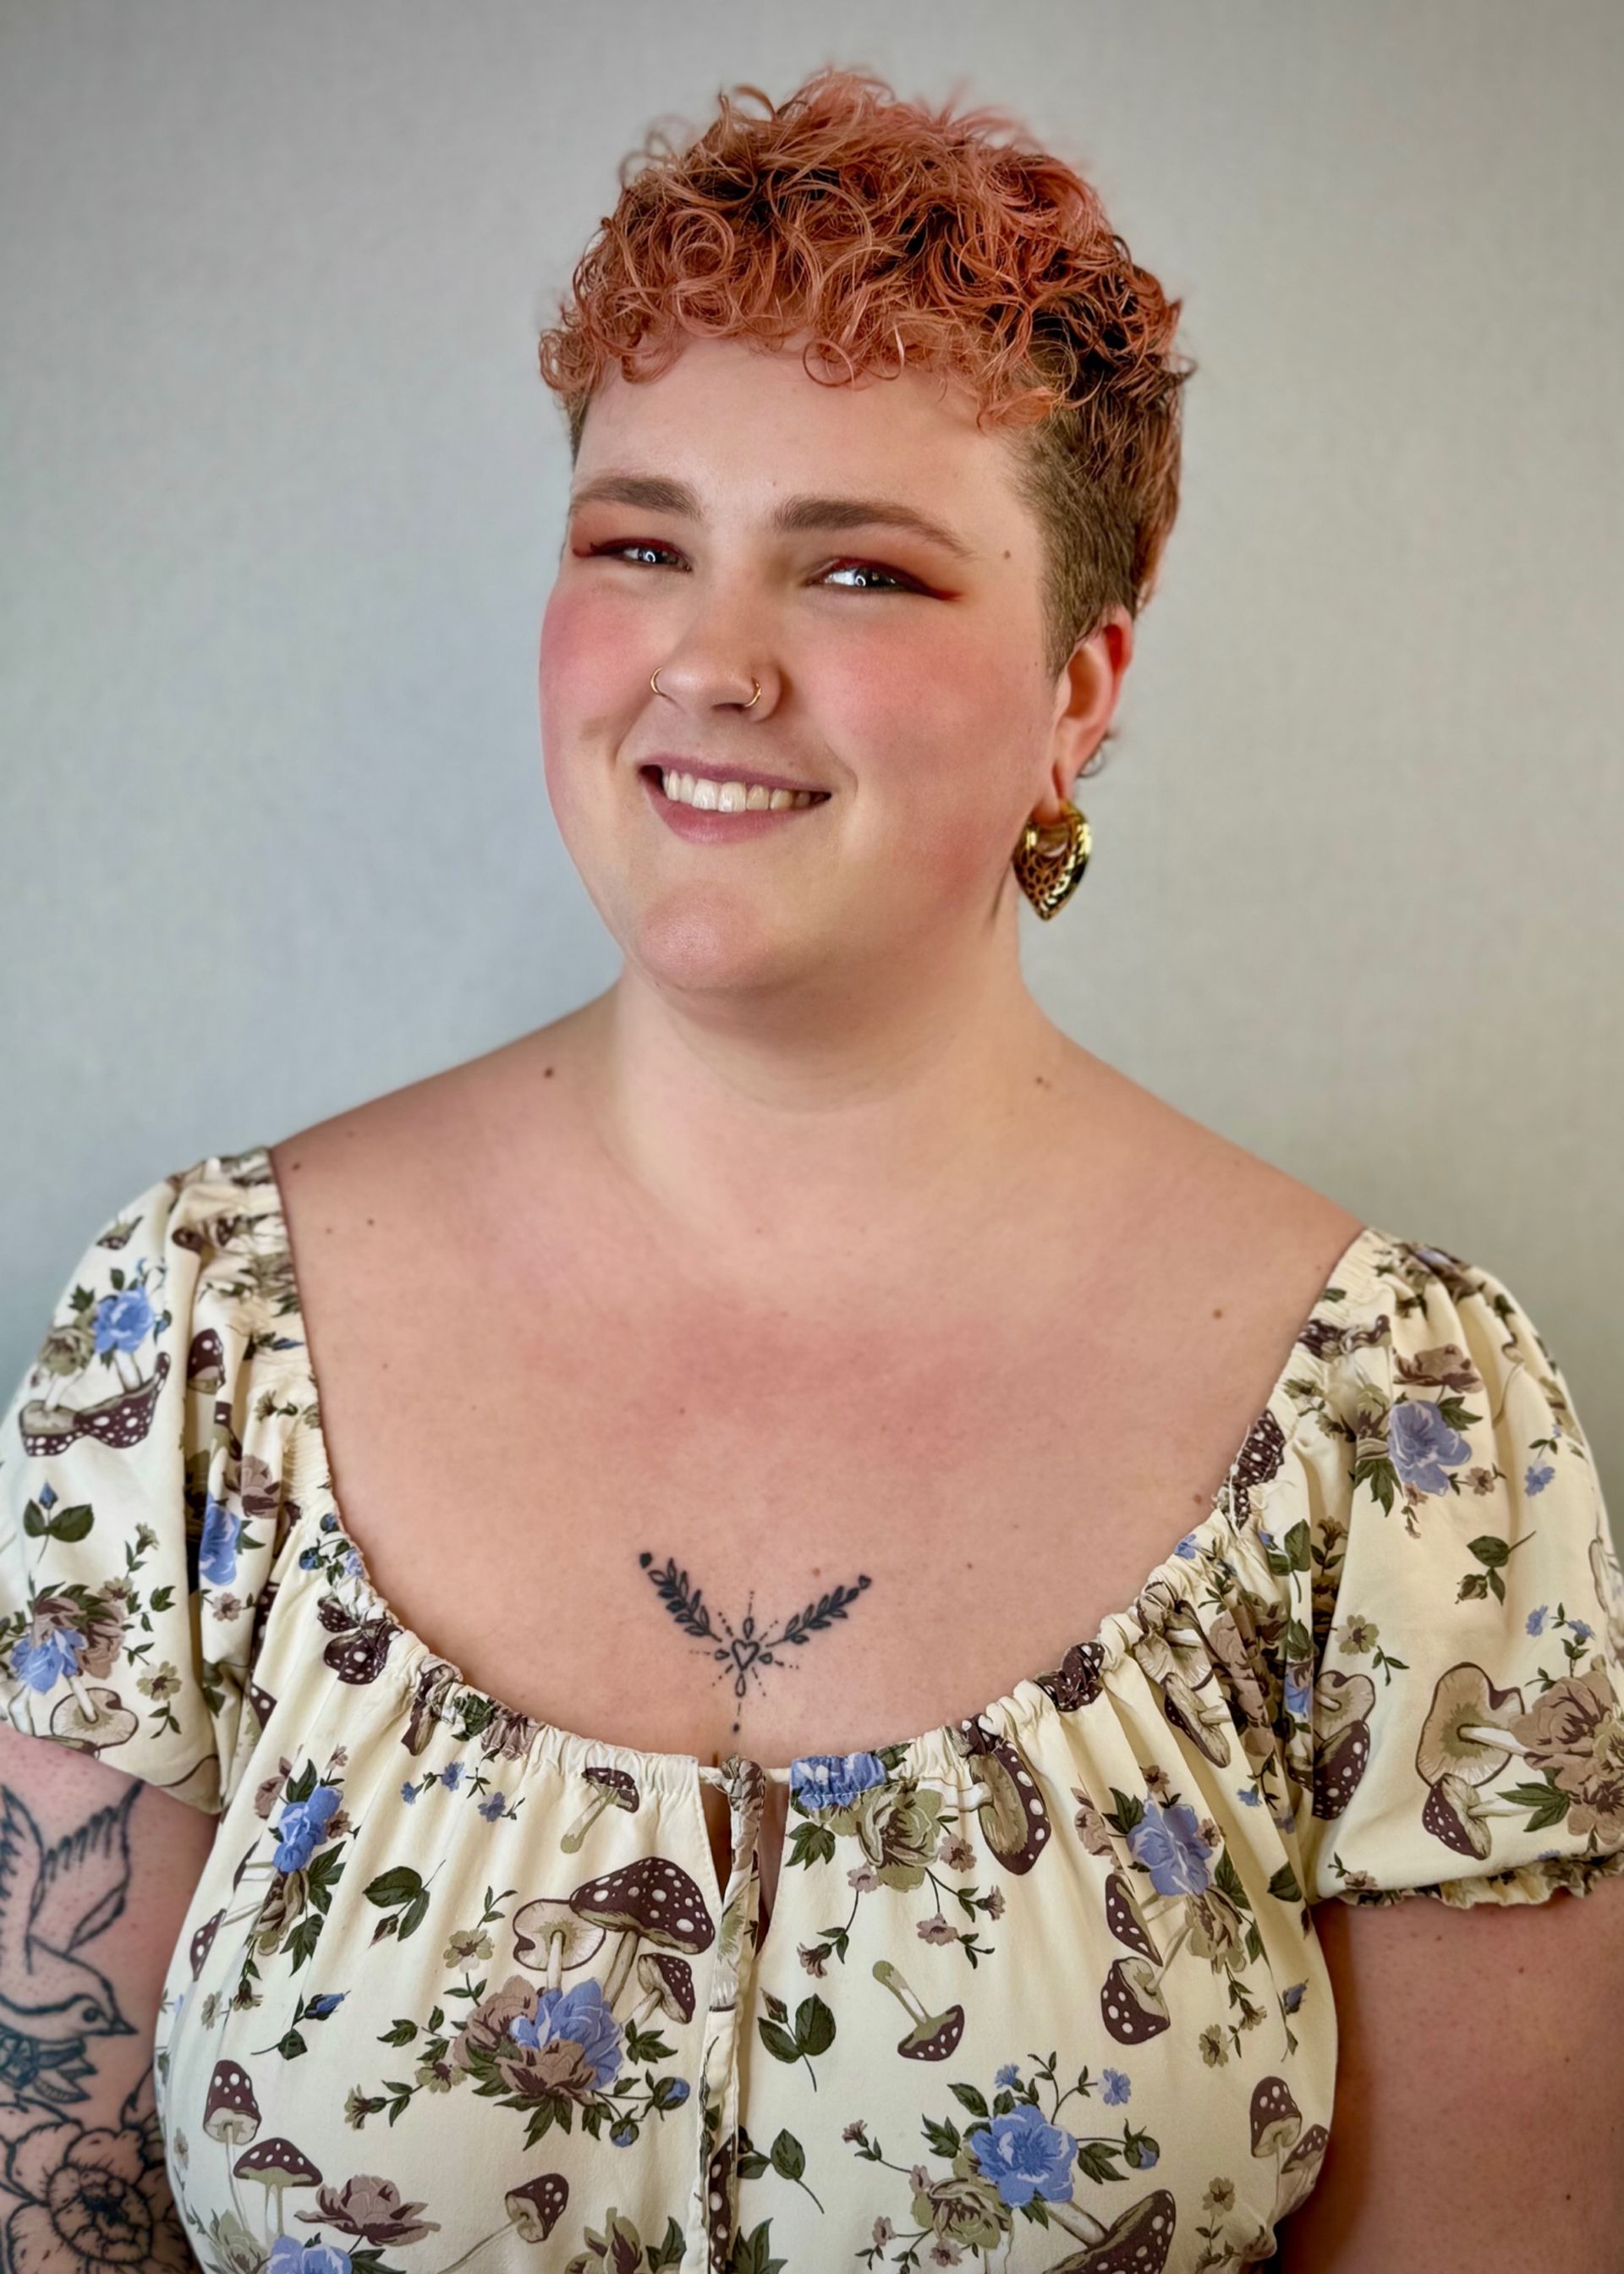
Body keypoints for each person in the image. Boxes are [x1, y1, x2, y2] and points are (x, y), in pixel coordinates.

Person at [3, 63, 1621, 2274]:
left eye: (859, 568)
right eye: (639, 543)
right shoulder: (187, 1340)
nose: (712, 661)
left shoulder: (1408, 1431)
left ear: (1080, 690)